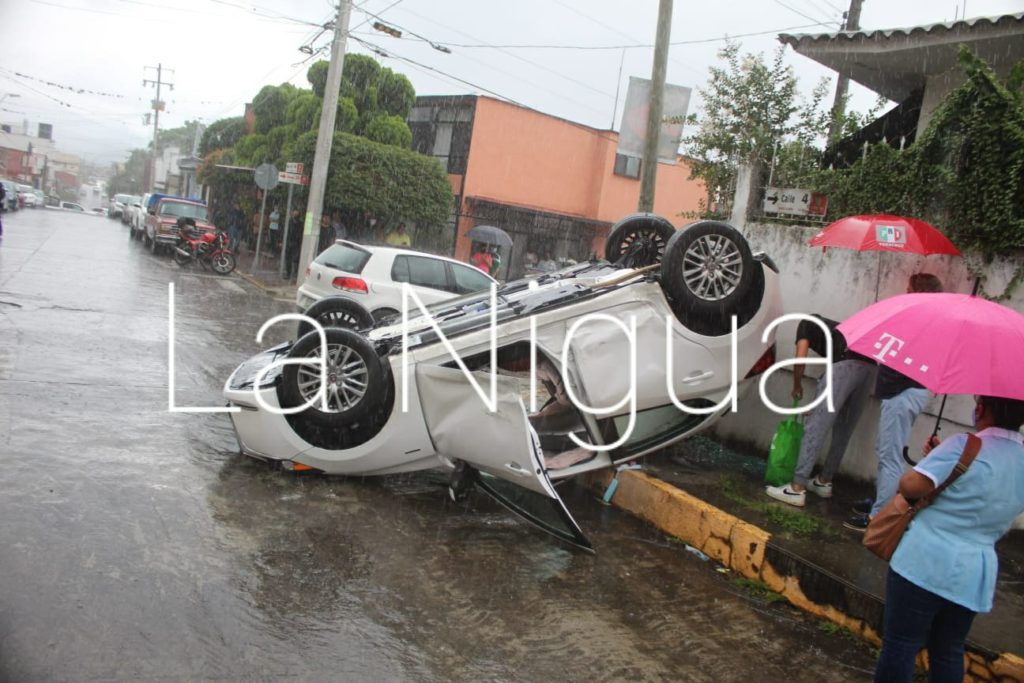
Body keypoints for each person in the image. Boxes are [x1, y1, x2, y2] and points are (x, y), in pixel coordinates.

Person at [873, 394, 1024, 682]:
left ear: (980, 408)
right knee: (948, 650)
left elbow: (910, 486)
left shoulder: (965, 445)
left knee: (901, 644)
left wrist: (932, 460)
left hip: (923, 562)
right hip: (973, 573)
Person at [846, 272, 944, 531]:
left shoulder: (921, 322)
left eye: (909, 288)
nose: (905, 292)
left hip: (903, 393)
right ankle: (882, 500)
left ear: (918, 292)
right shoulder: (922, 321)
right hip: (901, 393)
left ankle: (877, 518)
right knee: (885, 450)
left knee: (890, 456)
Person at [765, 315, 875, 507]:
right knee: (844, 429)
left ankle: (796, 488)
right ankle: (824, 481)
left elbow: (800, 358)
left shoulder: (805, 324)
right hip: (870, 366)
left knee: (816, 426)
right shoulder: (834, 328)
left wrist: (797, 384)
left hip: (845, 363)